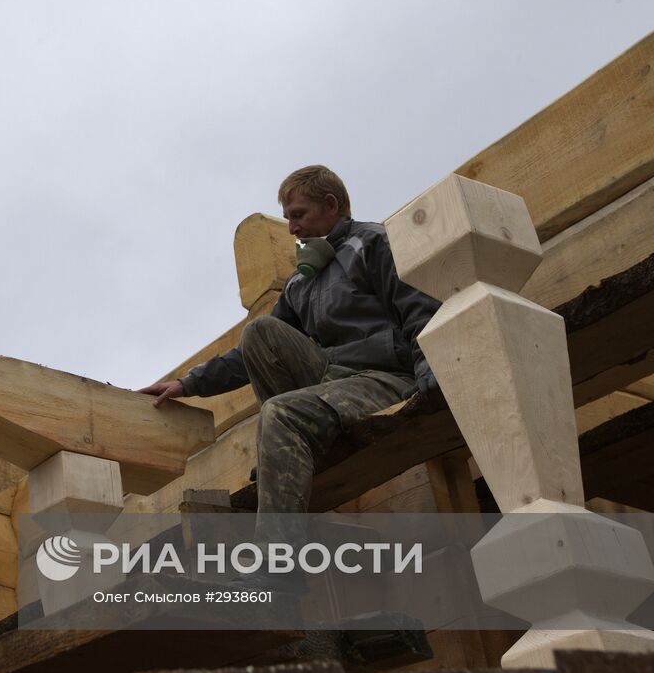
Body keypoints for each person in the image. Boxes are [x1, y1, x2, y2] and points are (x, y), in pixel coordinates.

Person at [138, 165, 441, 561]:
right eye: (287, 219)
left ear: (331, 205)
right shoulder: (304, 281)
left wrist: (431, 374)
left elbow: (418, 308)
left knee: (281, 413)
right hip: (335, 382)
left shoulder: (373, 243)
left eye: (298, 215)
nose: (291, 229)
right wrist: (188, 384)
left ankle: (278, 567)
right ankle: (287, 441)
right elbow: (249, 356)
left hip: (387, 378)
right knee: (260, 332)